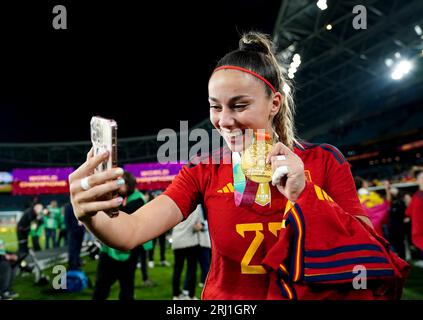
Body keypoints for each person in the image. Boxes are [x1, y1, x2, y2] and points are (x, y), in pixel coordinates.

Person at [69, 32, 409, 300]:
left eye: (239, 105)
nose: (224, 121)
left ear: (274, 102)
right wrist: (90, 214)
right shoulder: (203, 171)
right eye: (215, 107)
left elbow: (370, 252)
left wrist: (304, 194)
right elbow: (129, 233)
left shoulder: (324, 161)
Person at [171, 204, 203, 300]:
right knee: (192, 269)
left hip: (178, 240)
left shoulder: (175, 204)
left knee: (178, 269)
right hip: (191, 241)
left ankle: (176, 295)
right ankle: (191, 295)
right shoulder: (197, 206)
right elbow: (199, 224)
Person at [406, 170, 423, 267]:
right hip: (418, 229)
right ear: (417, 181)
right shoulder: (416, 196)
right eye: (421, 178)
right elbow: (408, 211)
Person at [64, 202, 85, 270]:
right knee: (72, 249)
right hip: (73, 231)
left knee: (78, 248)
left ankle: (76, 263)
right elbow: (67, 220)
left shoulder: (80, 205)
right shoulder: (68, 206)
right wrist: (70, 230)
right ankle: (72, 265)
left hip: (80, 230)